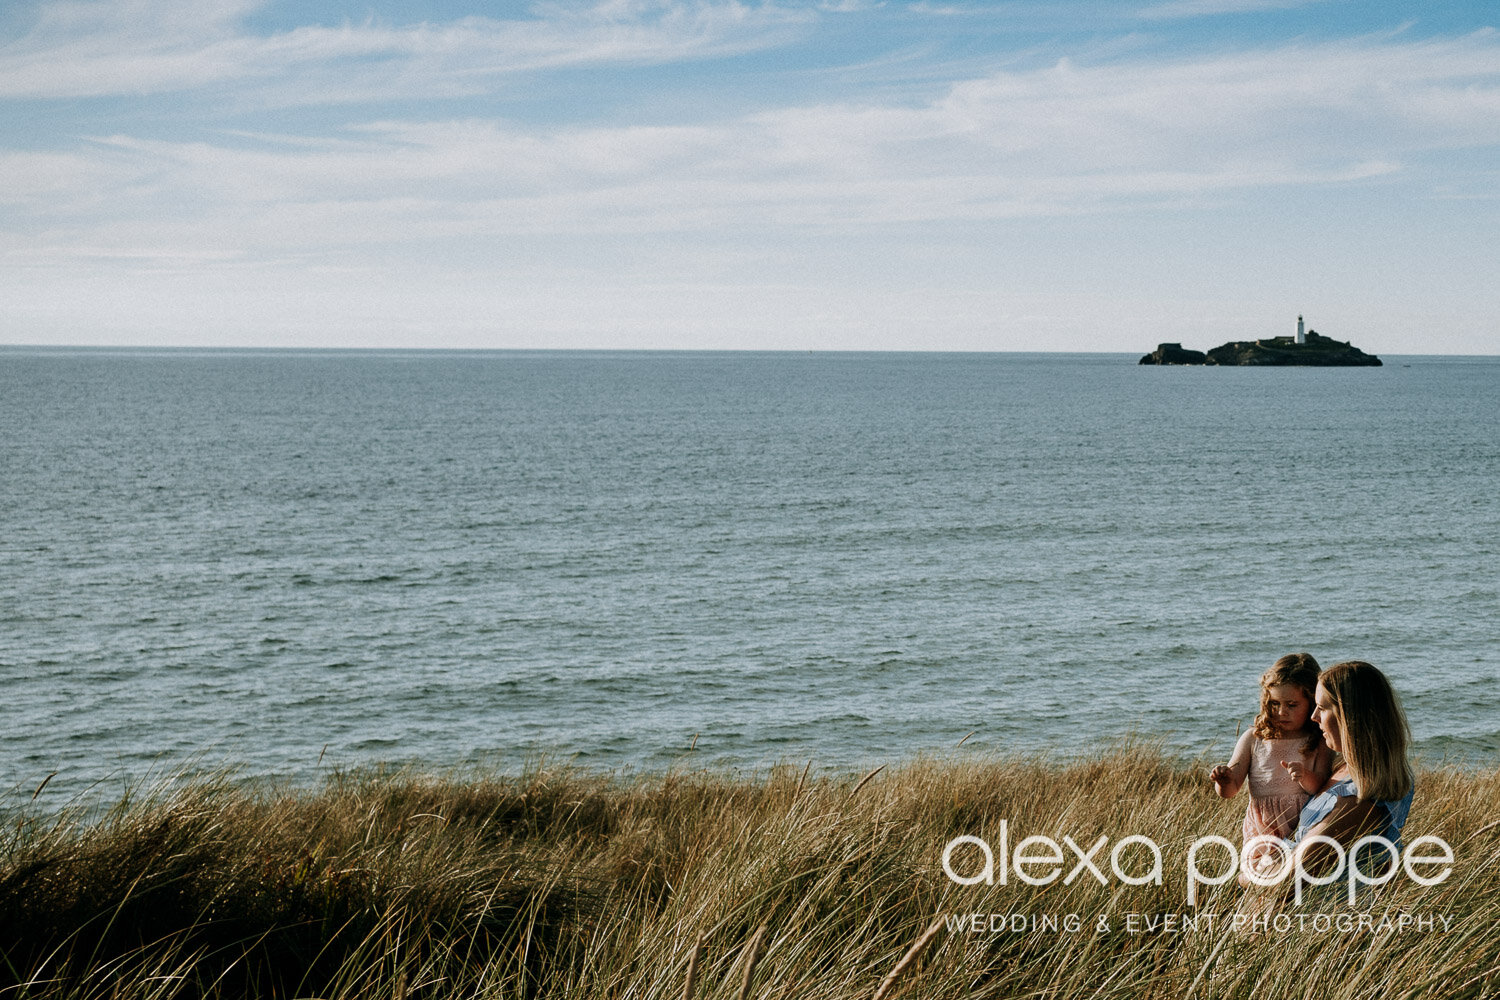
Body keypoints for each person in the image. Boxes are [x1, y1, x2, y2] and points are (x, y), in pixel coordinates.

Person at [1288, 660, 1415, 893]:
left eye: (1323, 708)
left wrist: (1246, 875)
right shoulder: (1346, 769)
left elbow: (1288, 880)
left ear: (1350, 716)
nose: (1314, 717)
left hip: (1323, 920)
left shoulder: (1359, 798)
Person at [1209, 653, 1333, 872]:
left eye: (1292, 705)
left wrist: (1305, 776)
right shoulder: (1253, 738)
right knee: (1260, 881)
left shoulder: (1318, 741)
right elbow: (1230, 791)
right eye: (1274, 703)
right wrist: (1223, 780)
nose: (1281, 712)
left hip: (1301, 828)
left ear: (1312, 701)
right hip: (1261, 832)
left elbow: (1321, 788)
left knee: (1295, 882)